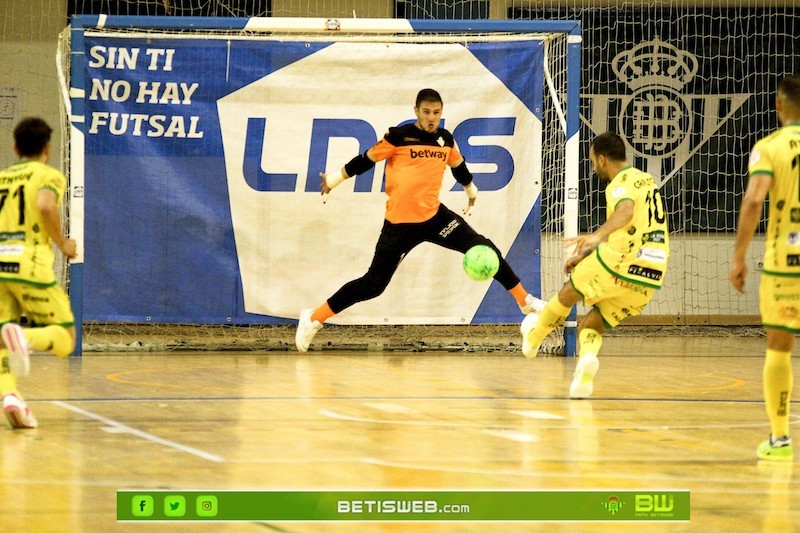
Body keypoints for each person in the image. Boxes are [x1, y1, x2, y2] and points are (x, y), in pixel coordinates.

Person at [295, 88, 540, 351]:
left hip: (435, 218)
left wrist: (471, 190)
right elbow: (365, 160)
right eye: (426, 112)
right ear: (416, 112)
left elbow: (458, 167)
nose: (431, 117)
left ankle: (524, 301)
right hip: (399, 226)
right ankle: (312, 318)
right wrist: (334, 179)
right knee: (373, 285)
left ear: (441, 113)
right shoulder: (399, 137)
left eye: (436, 113)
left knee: (485, 247)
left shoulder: (445, 140)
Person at [520, 132, 670, 398]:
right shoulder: (645, 180)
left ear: (602, 159)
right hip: (652, 272)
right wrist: (587, 254)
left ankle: (532, 339)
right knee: (590, 326)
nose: (593, 168)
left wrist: (595, 236)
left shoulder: (619, 184)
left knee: (569, 292)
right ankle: (586, 368)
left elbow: (624, 213)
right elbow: (627, 229)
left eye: (592, 162)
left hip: (624, 261)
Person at [729, 75, 800, 462]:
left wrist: (739, 256)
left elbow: (755, 200)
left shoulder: (769, 147)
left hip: (785, 266)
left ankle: (780, 439)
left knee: (779, 349)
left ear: (779, 106)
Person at [0, 117, 78, 429]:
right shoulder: (49, 175)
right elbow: (46, 206)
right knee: (66, 338)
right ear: (47, 147)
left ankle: (11, 397)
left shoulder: (2, 177)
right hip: (29, 262)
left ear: (15, 146)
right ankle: (25, 337)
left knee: (1, 339)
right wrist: (62, 243)